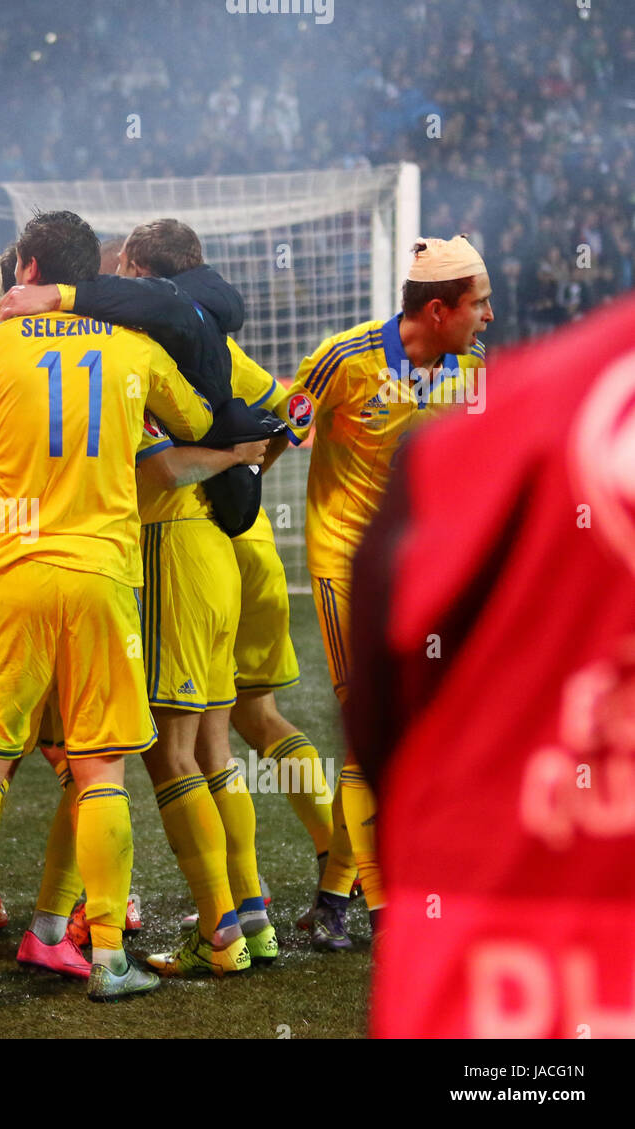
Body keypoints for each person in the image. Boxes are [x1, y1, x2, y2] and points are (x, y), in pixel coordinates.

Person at [0, 210, 216, 1008]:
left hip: (12, 575)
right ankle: (108, 955)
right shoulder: (135, 348)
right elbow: (198, 420)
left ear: (28, 265)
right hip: (104, 579)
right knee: (100, 770)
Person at [348, 292, 635, 1037]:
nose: (489, 317)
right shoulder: (369, 369)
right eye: (475, 303)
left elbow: (386, 730)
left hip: (493, 993)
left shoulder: (503, 411)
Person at [270, 234, 493, 948]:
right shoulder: (345, 359)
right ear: (439, 308)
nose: (488, 317)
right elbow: (280, 431)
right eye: (478, 305)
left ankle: (333, 898)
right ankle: (378, 905)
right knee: (371, 722)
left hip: (419, 569)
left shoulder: (473, 370)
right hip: (345, 564)